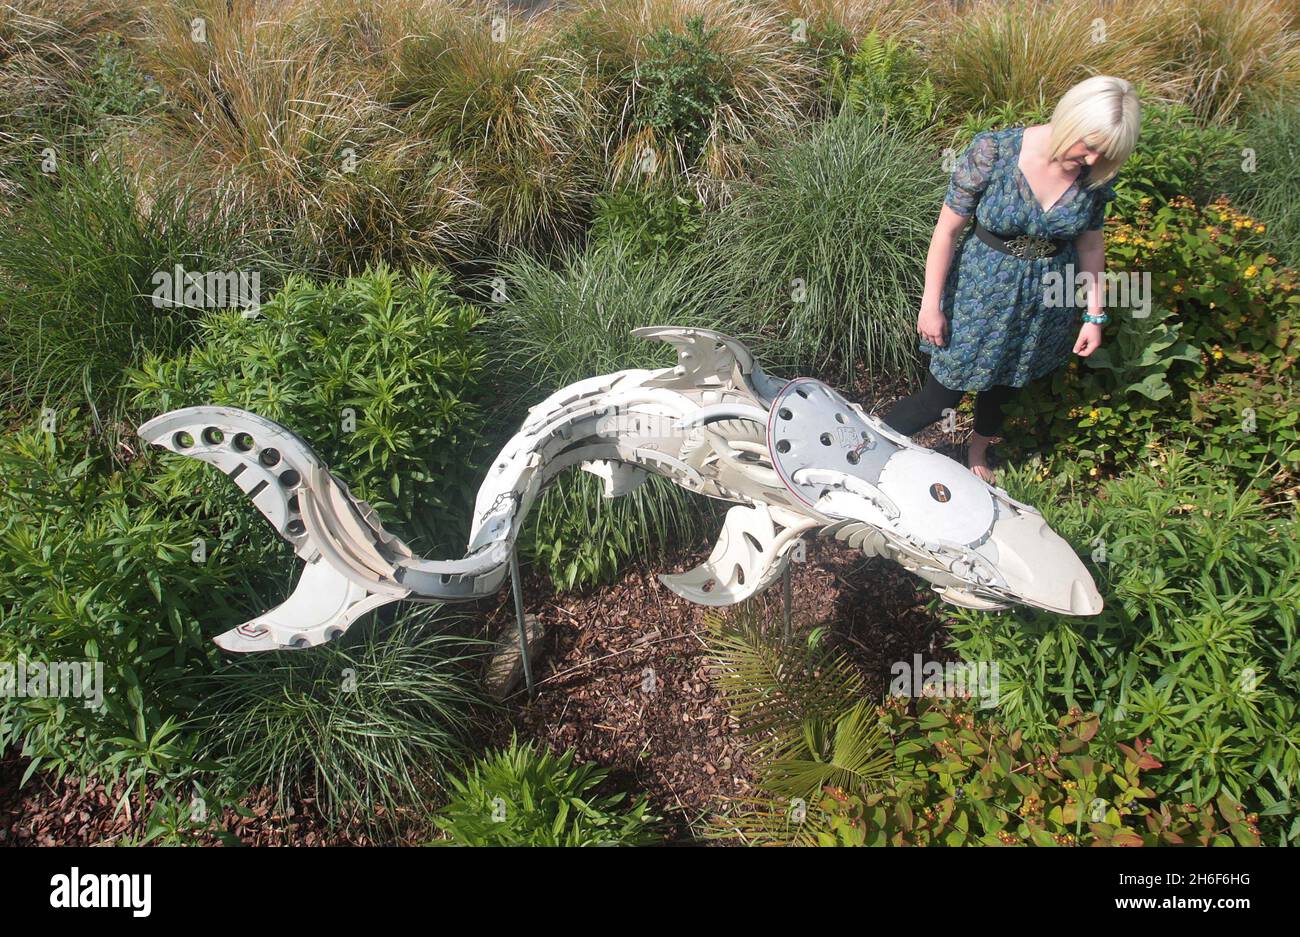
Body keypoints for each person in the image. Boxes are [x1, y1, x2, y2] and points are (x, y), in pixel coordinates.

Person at [881, 75, 1140, 481]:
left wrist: (1094, 315)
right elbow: (946, 231)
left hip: (1043, 303)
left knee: (1005, 385)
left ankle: (978, 450)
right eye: (1089, 145)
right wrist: (930, 304)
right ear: (1070, 120)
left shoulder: (1094, 177)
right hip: (979, 294)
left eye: (1104, 153)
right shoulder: (994, 152)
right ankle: (870, 443)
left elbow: (1090, 246)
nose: (1092, 160)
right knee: (940, 396)